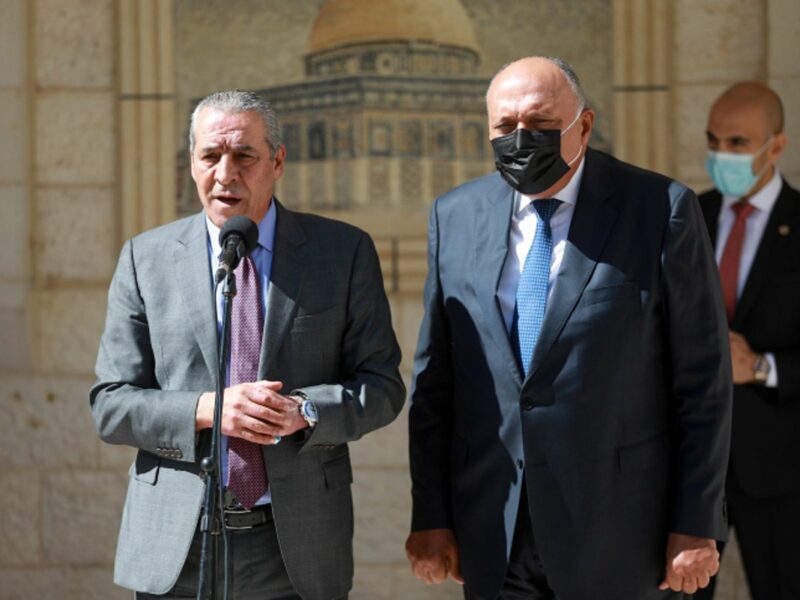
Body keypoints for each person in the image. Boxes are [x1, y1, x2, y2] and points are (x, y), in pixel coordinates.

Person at [405, 56, 732, 600]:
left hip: (619, 536)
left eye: (539, 124)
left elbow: (702, 383)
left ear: (583, 124)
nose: (520, 139)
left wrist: (696, 522)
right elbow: (434, 385)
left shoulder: (659, 209)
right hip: (494, 532)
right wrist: (431, 515)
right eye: (504, 127)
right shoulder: (455, 216)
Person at [90, 90, 405, 600]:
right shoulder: (144, 260)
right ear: (192, 163)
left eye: (244, 157)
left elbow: (383, 386)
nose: (225, 174)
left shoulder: (343, 253)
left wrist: (305, 410)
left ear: (277, 161)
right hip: (176, 546)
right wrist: (208, 409)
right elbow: (110, 406)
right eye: (210, 156)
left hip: (293, 547)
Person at [693, 82, 800, 600]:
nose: (722, 155)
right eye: (714, 140)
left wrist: (761, 367)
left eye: (737, 143)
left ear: (775, 146)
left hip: (778, 466)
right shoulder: (688, 215)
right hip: (692, 461)